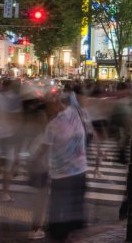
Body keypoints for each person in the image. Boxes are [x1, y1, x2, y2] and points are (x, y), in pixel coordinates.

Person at [43, 91, 88, 242]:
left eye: (48, 106)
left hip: (61, 175)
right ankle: (73, 234)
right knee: (75, 206)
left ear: (54, 105)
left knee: (59, 208)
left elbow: (43, 149)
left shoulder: (53, 125)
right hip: (79, 171)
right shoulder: (75, 113)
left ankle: (61, 236)